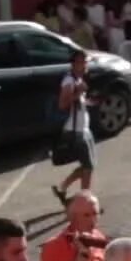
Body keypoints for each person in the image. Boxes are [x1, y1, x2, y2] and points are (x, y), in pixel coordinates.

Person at [51, 50, 95, 206]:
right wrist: (79, 92)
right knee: (88, 167)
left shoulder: (78, 79)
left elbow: (77, 102)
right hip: (75, 131)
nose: (85, 65)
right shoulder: (69, 81)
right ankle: (85, 203)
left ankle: (62, 188)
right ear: (74, 64)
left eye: (86, 62)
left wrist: (88, 102)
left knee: (87, 166)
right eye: (82, 62)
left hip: (83, 128)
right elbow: (62, 104)